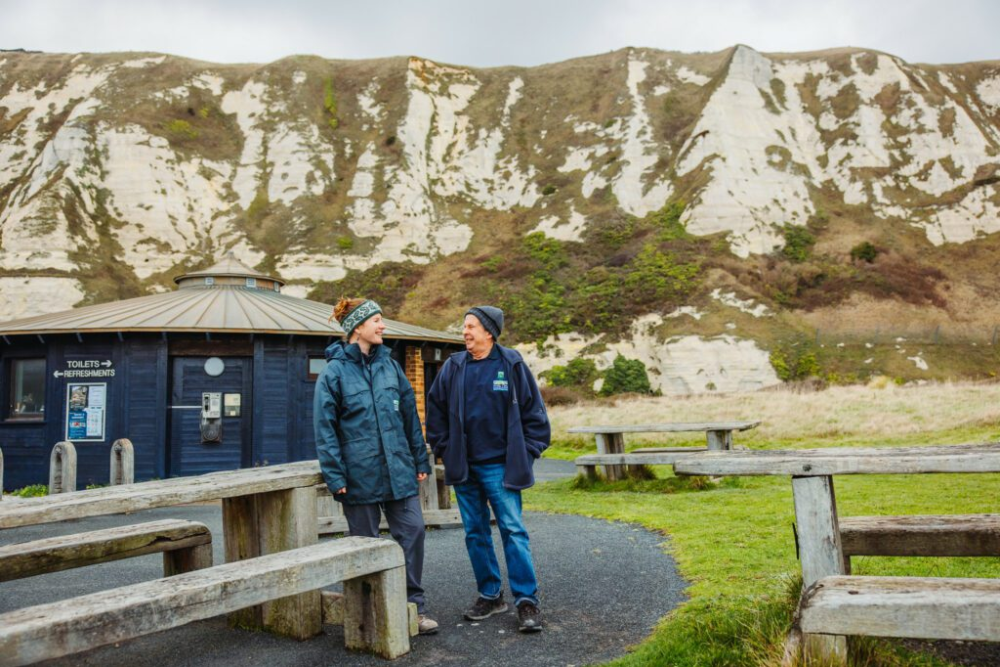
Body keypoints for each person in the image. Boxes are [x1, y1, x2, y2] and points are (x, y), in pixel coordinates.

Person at [313, 297, 438, 635]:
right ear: (357, 327)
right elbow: (325, 429)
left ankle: (413, 607)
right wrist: (335, 474)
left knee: (412, 531)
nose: (383, 326)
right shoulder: (333, 373)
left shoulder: (391, 366)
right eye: (377, 320)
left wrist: (418, 457)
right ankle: (368, 613)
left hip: (398, 468)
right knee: (364, 544)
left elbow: (410, 415)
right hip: (358, 474)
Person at [426, 305, 551, 633]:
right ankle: (491, 595)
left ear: (489, 332)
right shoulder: (454, 367)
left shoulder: (510, 364)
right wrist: (443, 449)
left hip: (501, 468)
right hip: (465, 469)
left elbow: (534, 414)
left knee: (513, 530)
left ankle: (527, 601)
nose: (465, 332)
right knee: (475, 533)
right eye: (464, 326)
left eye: (471, 326)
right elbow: (435, 408)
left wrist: (528, 452)